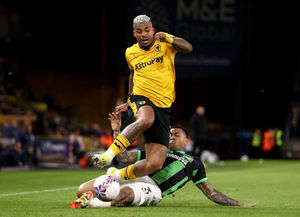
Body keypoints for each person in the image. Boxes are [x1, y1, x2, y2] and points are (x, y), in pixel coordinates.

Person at [70, 113, 256, 208]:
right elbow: (123, 157)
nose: (171, 137)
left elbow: (211, 192)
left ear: (187, 139)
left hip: (155, 189)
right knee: (81, 190)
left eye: (176, 134)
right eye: (169, 134)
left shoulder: (194, 162)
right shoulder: (157, 150)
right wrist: (116, 129)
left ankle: (95, 203)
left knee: (126, 195)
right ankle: (92, 196)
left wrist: (239, 204)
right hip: (134, 174)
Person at [92, 14, 193, 182]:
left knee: (154, 164)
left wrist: (169, 37)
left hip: (164, 106)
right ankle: (108, 156)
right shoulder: (130, 52)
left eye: (147, 30)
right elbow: (133, 74)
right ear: (134, 34)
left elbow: (188, 48)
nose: (144, 34)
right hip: (142, 98)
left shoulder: (165, 44)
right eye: (139, 31)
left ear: (153, 30)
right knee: (146, 119)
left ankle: (115, 176)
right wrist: (130, 99)